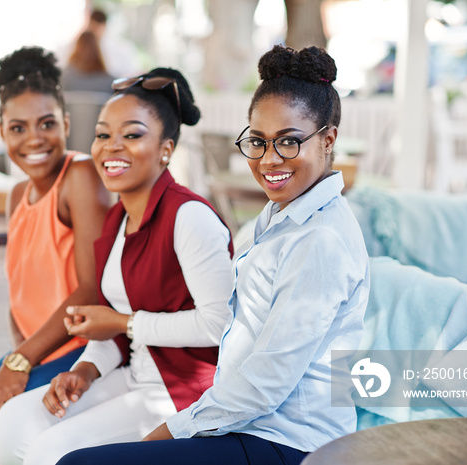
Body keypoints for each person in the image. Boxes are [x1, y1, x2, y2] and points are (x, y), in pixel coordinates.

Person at [55, 45, 371, 465]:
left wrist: (174, 429)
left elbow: (266, 383)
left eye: (289, 142)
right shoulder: (280, 216)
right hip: (247, 423)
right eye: (257, 142)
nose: (269, 159)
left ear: (328, 139)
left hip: (290, 443)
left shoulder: (320, 240)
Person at [0, 67, 235, 465]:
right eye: (103, 135)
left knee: (52, 452)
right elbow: (112, 326)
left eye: (132, 135)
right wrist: (84, 370)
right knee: (11, 425)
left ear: (166, 149)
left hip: (183, 391)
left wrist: (126, 324)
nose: (111, 147)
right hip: (132, 376)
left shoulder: (189, 216)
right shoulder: (117, 221)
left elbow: (220, 324)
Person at [0, 46, 111, 445]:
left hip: (84, 350)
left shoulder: (80, 175)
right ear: (1, 130)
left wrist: (21, 360)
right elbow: (23, 287)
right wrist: (20, 355)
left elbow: (92, 289)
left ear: (66, 124)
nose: (34, 139)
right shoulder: (16, 193)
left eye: (47, 124)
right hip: (41, 350)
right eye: (18, 128)